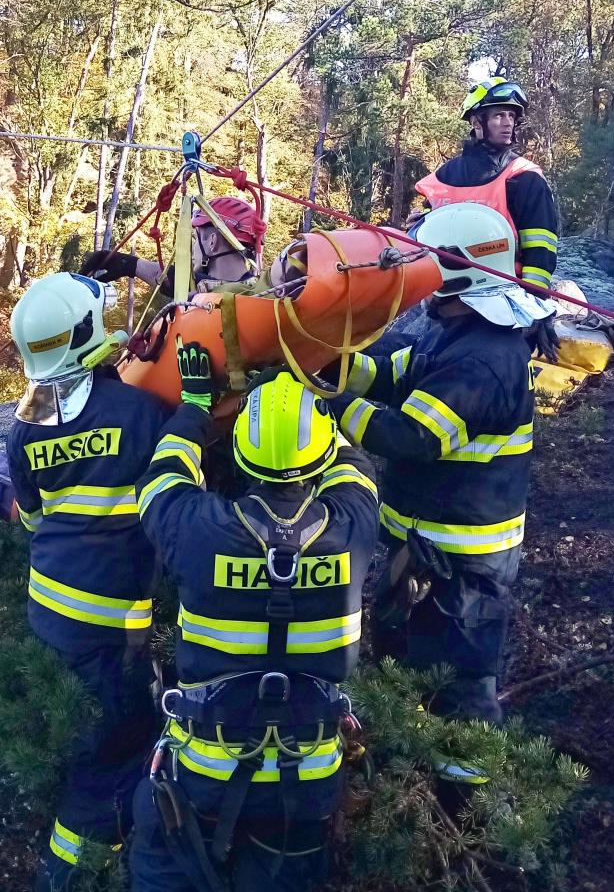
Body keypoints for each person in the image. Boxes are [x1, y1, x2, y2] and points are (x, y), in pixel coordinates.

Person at [129, 351, 381, 891]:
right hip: (307, 773)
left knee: (160, 854)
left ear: (239, 454)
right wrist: (308, 402)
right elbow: (353, 466)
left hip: (207, 769)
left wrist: (196, 405)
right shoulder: (354, 526)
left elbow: (161, 477)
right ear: (318, 459)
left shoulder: (201, 528)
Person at [326, 202, 547, 770]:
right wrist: (328, 360)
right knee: (406, 656)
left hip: (462, 565)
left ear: (458, 271)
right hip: (424, 545)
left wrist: (327, 404)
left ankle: (469, 804)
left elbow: (410, 436)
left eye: (426, 263)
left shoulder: (485, 361)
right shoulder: (458, 330)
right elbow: (396, 369)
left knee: (462, 689)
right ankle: (411, 765)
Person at [6, 273, 171, 889]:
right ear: (85, 334)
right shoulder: (143, 413)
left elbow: (33, 517)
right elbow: (180, 503)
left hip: (49, 614)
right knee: (109, 753)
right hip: (112, 629)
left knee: (83, 734)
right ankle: (70, 872)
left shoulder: (25, 428)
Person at [414, 77, 561, 361]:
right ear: (476, 122)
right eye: (498, 115)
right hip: (450, 301)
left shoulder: (524, 177)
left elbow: (540, 250)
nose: (508, 123)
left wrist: (534, 307)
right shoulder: (443, 177)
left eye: (511, 116)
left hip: (504, 304)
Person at [80, 195, 266, 298]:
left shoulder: (237, 298)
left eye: (196, 238)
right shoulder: (260, 291)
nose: (194, 248)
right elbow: (167, 277)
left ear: (212, 242)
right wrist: (128, 264)